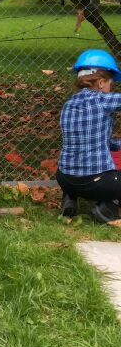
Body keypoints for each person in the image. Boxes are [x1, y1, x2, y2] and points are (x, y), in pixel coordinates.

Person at [57, 49, 121, 223]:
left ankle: (70, 198)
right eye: (110, 84)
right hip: (95, 182)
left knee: (75, 164)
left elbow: (93, 140)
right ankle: (105, 209)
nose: (111, 90)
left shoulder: (69, 104)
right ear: (100, 82)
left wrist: (118, 144)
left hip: (65, 178)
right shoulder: (102, 100)